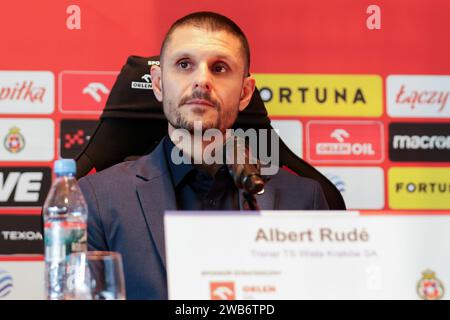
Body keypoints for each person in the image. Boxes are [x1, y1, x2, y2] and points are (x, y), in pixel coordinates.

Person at [78, 11, 329, 300]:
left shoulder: (304, 198)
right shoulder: (96, 200)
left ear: (246, 93)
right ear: (158, 83)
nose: (202, 81)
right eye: (184, 64)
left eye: (220, 68)